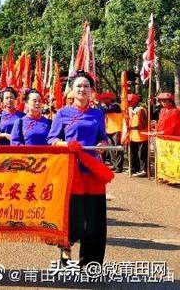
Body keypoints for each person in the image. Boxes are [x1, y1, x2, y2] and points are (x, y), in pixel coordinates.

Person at [48, 70, 111, 267]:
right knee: (73, 220)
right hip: (71, 172)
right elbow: (52, 139)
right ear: (72, 91)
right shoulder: (62, 113)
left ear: (92, 91)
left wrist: (103, 145)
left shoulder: (97, 114)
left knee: (94, 223)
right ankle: (65, 254)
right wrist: (67, 146)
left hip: (92, 173)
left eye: (86, 86)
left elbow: (104, 137)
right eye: (78, 86)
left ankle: (91, 264)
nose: (82, 89)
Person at [97, 92, 124, 172]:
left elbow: (105, 111)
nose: (103, 101)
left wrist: (98, 104)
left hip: (117, 129)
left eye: (104, 99)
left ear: (109, 99)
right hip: (109, 130)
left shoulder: (116, 106)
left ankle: (119, 167)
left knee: (117, 149)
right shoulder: (108, 106)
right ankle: (115, 165)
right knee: (111, 149)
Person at [126, 94, 148, 177]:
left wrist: (133, 127)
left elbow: (143, 124)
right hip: (133, 135)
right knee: (133, 153)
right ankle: (134, 168)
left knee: (141, 154)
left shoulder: (141, 109)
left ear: (135, 101)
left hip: (141, 135)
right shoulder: (131, 109)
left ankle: (143, 170)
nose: (129, 103)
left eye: (130, 101)